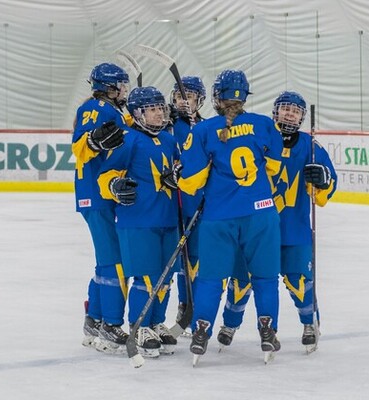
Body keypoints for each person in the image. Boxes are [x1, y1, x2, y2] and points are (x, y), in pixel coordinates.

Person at [161, 69, 284, 365]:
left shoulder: (203, 130)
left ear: (216, 98)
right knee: (265, 278)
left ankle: (201, 332)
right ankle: (268, 331)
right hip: (262, 214)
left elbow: (191, 183)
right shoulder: (264, 124)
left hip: (220, 218)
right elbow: (274, 167)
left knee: (211, 279)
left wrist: (181, 170)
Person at [216, 91, 337, 353]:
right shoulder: (259, 136)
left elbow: (329, 184)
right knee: (241, 280)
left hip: (294, 229)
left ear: (302, 117)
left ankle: (309, 323)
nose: (290, 114)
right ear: (275, 111)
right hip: (255, 228)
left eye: (296, 111)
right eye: (285, 109)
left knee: (300, 281)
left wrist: (323, 179)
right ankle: (230, 324)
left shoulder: (311, 147)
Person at [97, 86, 180, 357]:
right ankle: (139, 325)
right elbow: (105, 176)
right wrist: (114, 186)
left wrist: (176, 175)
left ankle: (156, 322)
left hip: (168, 218)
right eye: (151, 110)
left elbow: (179, 169)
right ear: (136, 114)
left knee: (165, 278)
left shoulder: (168, 140)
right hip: (138, 221)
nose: (158, 114)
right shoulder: (127, 139)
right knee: (146, 277)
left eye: (160, 109)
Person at [71, 62, 132, 353]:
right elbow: (79, 147)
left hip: (101, 195)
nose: (125, 90)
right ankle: (110, 324)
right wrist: (93, 142)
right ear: (109, 87)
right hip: (97, 194)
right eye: (121, 86)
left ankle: (94, 319)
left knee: (108, 258)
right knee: (114, 260)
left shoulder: (112, 111)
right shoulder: (95, 108)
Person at [167, 76, 206, 330]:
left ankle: (189, 306)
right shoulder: (166, 124)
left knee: (194, 259)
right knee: (173, 259)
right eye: (179, 96)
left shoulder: (206, 127)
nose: (183, 101)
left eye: (188, 96)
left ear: (199, 101)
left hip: (197, 202)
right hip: (171, 202)